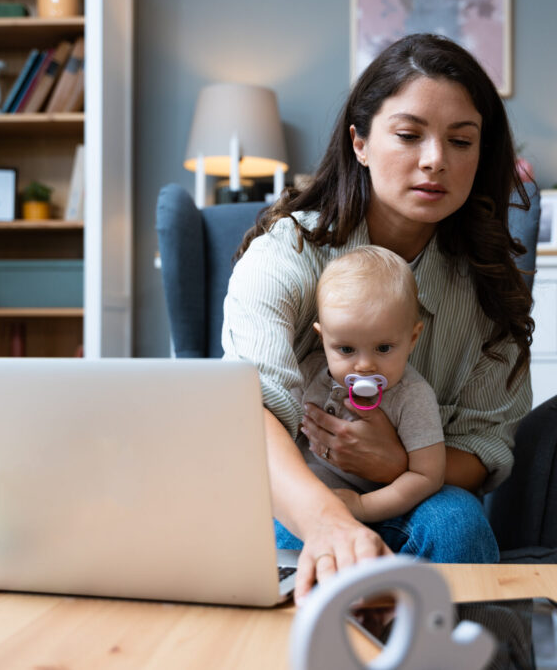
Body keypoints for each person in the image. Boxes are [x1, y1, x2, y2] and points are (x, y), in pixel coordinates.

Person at [222, 33, 534, 602]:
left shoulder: (488, 290)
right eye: (410, 135)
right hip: (293, 486)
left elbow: (487, 443)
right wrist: (326, 519)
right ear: (360, 143)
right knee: (263, 522)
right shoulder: (285, 254)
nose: (435, 159)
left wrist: (399, 464)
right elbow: (248, 407)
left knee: (457, 522)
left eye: (461, 141)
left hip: (415, 494)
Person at [297, 245, 445, 524]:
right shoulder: (309, 374)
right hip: (313, 507)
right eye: (346, 349)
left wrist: (363, 506)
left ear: (413, 338)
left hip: (384, 507)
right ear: (323, 338)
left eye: (384, 348)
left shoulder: (412, 397)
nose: (365, 366)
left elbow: (428, 476)